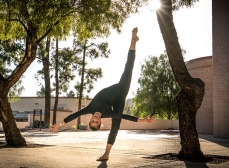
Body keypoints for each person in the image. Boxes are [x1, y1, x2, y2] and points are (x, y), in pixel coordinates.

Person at [50, 27, 155, 161]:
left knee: (128, 66)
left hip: (117, 89)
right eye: (96, 122)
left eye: (92, 121)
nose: (94, 119)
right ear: (100, 122)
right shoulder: (108, 114)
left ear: (90, 120)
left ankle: (133, 40)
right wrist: (142, 121)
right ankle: (106, 154)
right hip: (122, 92)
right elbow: (122, 115)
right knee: (116, 123)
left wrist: (59, 124)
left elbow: (74, 114)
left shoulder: (90, 109)